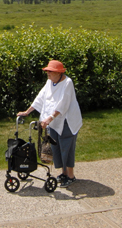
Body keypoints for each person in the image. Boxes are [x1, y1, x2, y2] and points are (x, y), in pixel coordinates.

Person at [17, 59, 82, 188]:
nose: (48, 73)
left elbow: (63, 104)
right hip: (54, 121)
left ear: (59, 73)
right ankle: (63, 173)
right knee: (56, 147)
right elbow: (40, 97)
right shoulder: (50, 82)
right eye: (47, 71)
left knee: (66, 148)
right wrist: (27, 112)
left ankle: (70, 176)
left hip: (67, 121)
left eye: (50, 71)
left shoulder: (67, 83)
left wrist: (49, 119)